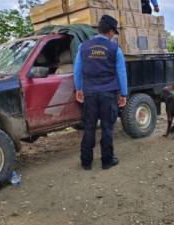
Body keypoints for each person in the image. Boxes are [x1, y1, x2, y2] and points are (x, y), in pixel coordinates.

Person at [73, 15, 128, 171]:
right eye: (113, 33)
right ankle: (107, 161)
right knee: (107, 127)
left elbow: (78, 71)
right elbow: (121, 73)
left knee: (89, 127)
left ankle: (86, 162)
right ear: (110, 31)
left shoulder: (83, 47)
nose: (113, 36)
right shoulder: (115, 49)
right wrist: (123, 94)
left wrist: (79, 89)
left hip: (90, 93)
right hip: (108, 94)